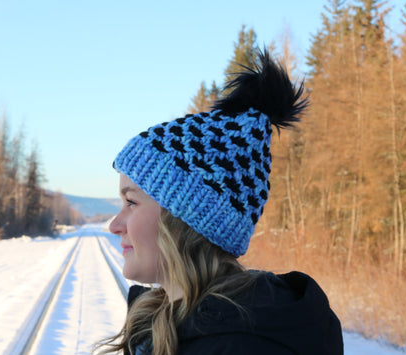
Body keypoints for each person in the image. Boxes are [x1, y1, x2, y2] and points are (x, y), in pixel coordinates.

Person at [95, 49, 343, 355]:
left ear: (185, 218)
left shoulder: (243, 346)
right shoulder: (173, 325)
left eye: (131, 202)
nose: (115, 225)